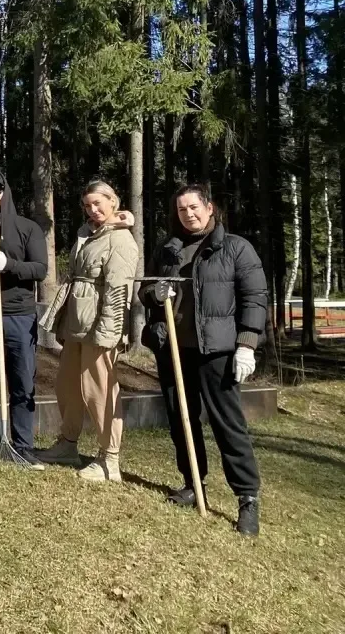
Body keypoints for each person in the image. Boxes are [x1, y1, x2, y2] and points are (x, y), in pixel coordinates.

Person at [140, 183, 266, 536]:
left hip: (218, 351)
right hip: (174, 348)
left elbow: (255, 297)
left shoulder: (235, 248)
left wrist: (247, 343)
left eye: (194, 207)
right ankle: (193, 482)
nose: (189, 214)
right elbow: (145, 290)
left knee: (228, 424)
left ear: (210, 208)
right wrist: (155, 293)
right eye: (182, 209)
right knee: (182, 420)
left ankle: (247, 497)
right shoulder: (168, 249)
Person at [37, 180, 138, 482]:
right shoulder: (89, 234)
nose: (93, 210)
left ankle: (109, 459)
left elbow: (118, 292)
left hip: (100, 328)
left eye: (98, 203)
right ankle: (67, 444)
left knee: (100, 392)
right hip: (77, 325)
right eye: (87, 205)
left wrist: (108, 333)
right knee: (68, 387)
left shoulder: (120, 240)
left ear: (113, 201)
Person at [0, 168, 48, 467]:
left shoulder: (28, 228)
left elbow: (40, 269)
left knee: (22, 382)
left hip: (19, 314)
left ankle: (23, 445)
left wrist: (10, 264)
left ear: (6, 190)